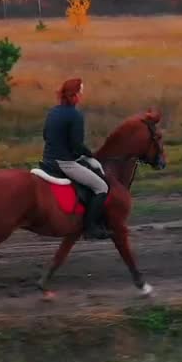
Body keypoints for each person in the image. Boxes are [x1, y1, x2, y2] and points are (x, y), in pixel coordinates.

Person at [41, 77, 111, 240]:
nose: (81, 95)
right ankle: (90, 227)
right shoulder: (75, 115)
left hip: (47, 160)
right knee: (101, 186)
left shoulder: (53, 111)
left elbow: (45, 135)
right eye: (80, 92)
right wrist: (90, 154)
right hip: (65, 163)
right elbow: (77, 145)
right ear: (74, 95)